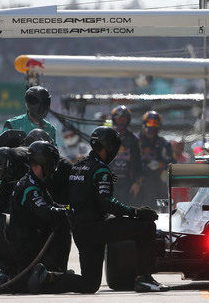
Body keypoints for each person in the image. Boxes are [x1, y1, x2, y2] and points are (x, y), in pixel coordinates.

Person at [67, 126, 167, 293]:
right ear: (110, 147)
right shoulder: (101, 170)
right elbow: (107, 203)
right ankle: (144, 279)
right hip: (96, 228)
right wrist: (135, 212)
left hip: (79, 230)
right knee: (146, 226)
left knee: (89, 284)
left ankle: (50, 277)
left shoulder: (77, 166)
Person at [7, 141, 71, 291]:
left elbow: (52, 205)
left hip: (32, 243)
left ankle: (57, 271)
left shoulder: (34, 182)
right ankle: (56, 273)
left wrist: (70, 209)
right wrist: (69, 212)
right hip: (28, 252)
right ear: (46, 163)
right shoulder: (30, 188)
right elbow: (47, 213)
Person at [139, 111, 175, 207]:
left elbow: (173, 162)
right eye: (150, 123)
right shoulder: (136, 141)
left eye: (156, 123)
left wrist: (160, 164)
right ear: (144, 124)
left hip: (158, 181)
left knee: (163, 205)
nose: (153, 126)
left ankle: (164, 216)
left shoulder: (164, 143)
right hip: (139, 181)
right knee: (141, 207)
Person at [109, 105, 142, 205]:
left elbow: (139, 163)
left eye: (123, 119)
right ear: (114, 120)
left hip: (128, 181)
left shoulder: (134, 139)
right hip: (110, 180)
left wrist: (136, 183)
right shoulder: (108, 136)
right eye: (119, 119)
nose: (121, 122)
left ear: (127, 121)